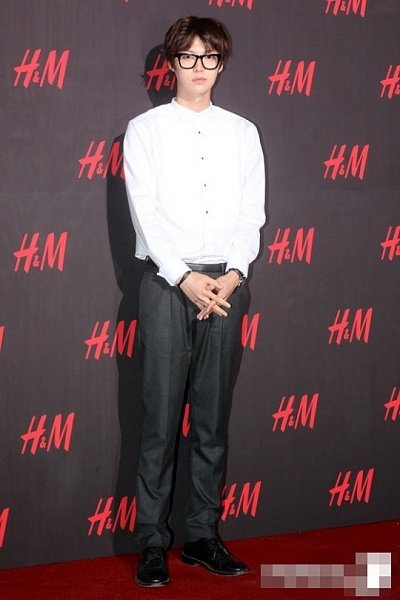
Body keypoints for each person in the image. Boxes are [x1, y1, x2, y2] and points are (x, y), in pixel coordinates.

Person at [123, 15, 265, 587]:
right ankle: (153, 543)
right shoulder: (145, 130)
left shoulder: (243, 132)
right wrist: (183, 276)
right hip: (166, 285)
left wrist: (233, 275)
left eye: (209, 57)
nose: (199, 67)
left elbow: (252, 213)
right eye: (188, 57)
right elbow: (145, 212)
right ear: (172, 63)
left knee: (211, 420)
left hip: (226, 289)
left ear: (221, 64)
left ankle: (203, 536)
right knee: (159, 421)